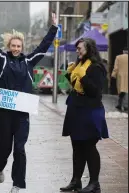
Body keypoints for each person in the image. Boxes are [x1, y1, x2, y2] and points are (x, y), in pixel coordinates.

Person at [0, 9, 58, 193]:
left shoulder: (29, 61)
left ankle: (17, 184)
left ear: (22, 47)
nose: (16, 48)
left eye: (19, 46)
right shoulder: (1, 59)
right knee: (5, 147)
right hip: (5, 114)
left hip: (22, 114)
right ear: (9, 46)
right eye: (13, 46)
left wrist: (54, 28)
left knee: (19, 148)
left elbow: (43, 46)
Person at [60, 38, 109, 193]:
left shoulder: (97, 67)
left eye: (80, 48)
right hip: (76, 110)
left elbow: (95, 92)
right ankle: (76, 181)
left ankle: (95, 184)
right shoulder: (79, 65)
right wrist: (70, 75)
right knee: (77, 147)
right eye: (77, 48)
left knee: (89, 147)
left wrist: (83, 76)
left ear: (89, 49)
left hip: (90, 112)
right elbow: (76, 87)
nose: (77, 51)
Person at [111, 47, 128, 112]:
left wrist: (113, 75)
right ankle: (125, 105)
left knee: (121, 90)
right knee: (126, 90)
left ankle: (120, 104)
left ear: (123, 51)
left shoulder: (118, 57)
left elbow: (116, 67)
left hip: (120, 76)